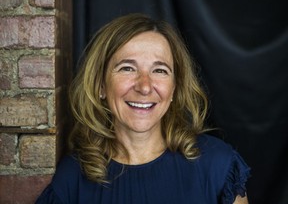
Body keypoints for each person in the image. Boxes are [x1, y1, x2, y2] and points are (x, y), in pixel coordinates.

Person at [36, 13, 250, 204]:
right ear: (100, 85)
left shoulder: (217, 166)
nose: (145, 86)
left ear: (174, 88)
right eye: (127, 68)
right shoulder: (72, 179)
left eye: (160, 70)